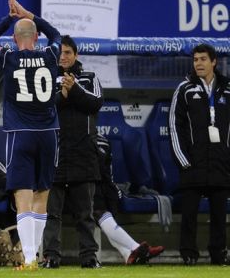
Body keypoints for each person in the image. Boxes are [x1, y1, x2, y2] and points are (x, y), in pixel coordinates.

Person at [0, 0, 61, 270]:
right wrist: (29, 15)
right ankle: (36, 255)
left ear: (15, 40)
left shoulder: (9, 58)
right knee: (43, 192)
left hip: (20, 133)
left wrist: (9, 17)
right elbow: (56, 34)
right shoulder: (52, 54)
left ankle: (28, 257)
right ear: (37, 37)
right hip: (49, 132)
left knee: (22, 193)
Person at [41, 35, 103, 269]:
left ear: (76, 55)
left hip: (83, 154)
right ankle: (51, 257)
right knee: (52, 213)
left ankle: (89, 257)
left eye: (68, 52)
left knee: (85, 214)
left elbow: (96, 103)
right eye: (60, 52)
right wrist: (61, 95)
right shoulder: (45, 77)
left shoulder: (89, 78)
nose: (63, 57)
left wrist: (74, 90)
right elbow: (42, 109)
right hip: (54, 154)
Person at [169, 43, 230, 266]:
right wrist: (184, 161)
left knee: (219, 215)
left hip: (221, 163)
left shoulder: (228, 89)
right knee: (189, 214)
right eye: (195, 59)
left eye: (203, 59)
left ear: (214, 61)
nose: (198, 64)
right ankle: (188, 254)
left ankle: (218, 253)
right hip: (193, 164)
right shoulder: (184, 89)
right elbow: (174, 127)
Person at [93, 134, 165, 265]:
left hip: (92, 190)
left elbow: (107, 176)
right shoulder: (66, 138)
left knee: (103, 210)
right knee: (99, 211)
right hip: (68, 190)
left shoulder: (102, 141)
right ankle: (136, 248)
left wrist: (113, 193)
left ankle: (129, 255)